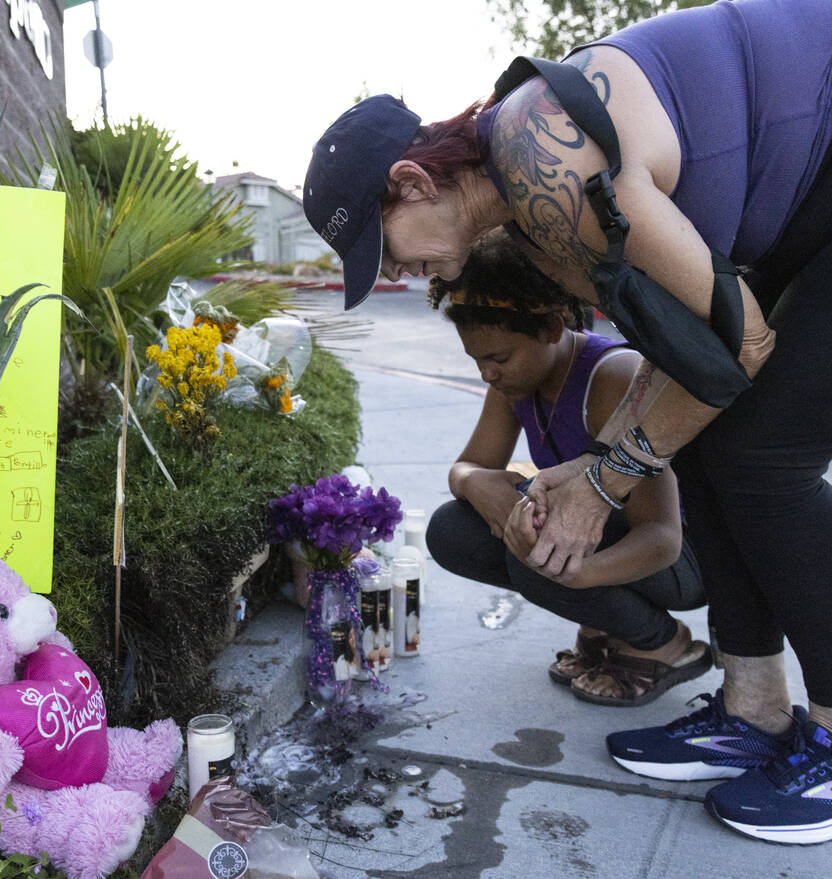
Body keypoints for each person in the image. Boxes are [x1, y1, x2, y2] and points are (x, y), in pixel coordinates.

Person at [301, 0, 832, 844]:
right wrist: (594, 467)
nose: (398, 271)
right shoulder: (529, 218)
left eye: (388, 247)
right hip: (806, 197)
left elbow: (739, 349)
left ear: (412, 182)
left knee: (766, 452)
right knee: (712, 441)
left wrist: (600, 480)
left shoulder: (538, 158)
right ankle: (755, 707)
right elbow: (681, 350)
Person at [424, 236, 707, 706]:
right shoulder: (516, 381)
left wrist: (582, 578)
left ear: (553, 328)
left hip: (687, 560)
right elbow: (467, 467)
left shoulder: (613, 378)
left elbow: (662, 535)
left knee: (541, 555)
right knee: (452, 530)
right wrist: (478, 484)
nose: (487, 374)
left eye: (498, 359)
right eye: (476, 360)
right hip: (611, 539)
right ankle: (604, 625)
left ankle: (663, 643)